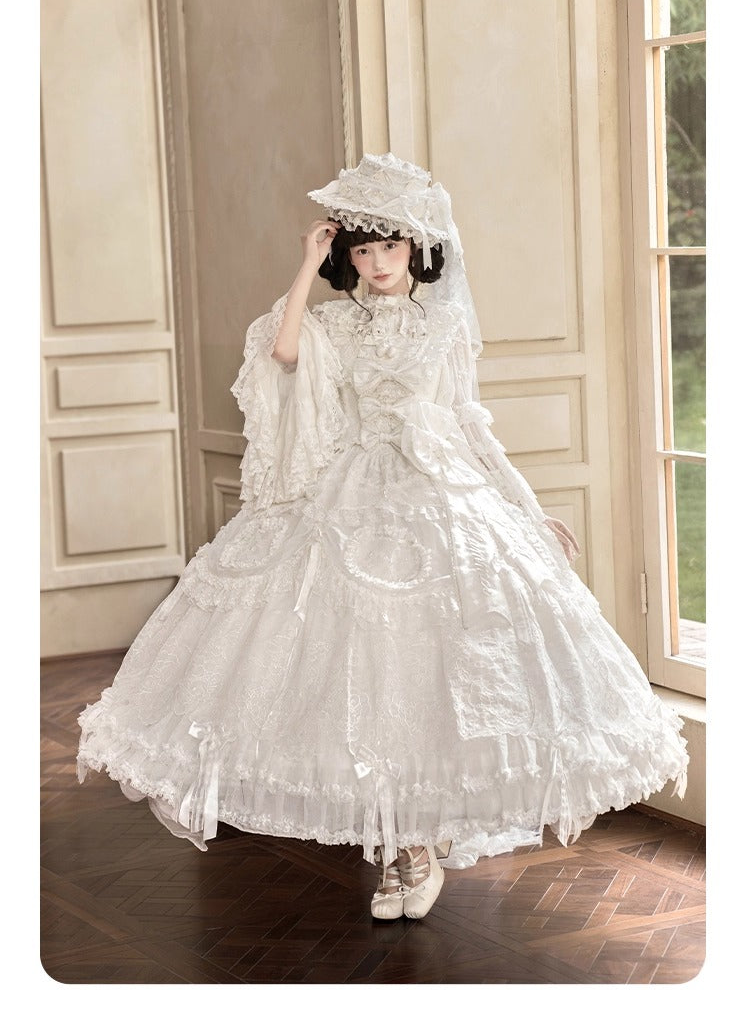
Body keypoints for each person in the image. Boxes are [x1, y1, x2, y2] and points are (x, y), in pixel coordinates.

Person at [77, 152, 689, 923]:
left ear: (416, 250)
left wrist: (525, 508)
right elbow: (283, 352)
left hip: (438, 491)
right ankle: (402, 848)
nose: (375, 263)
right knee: (362, 674)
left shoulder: (445, 323)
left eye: (389, 247)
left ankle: (417, 845)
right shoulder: (335, 322)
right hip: (350, 490)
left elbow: (467, 422)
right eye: (362, 250)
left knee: (428, 672)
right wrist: (308, 264)